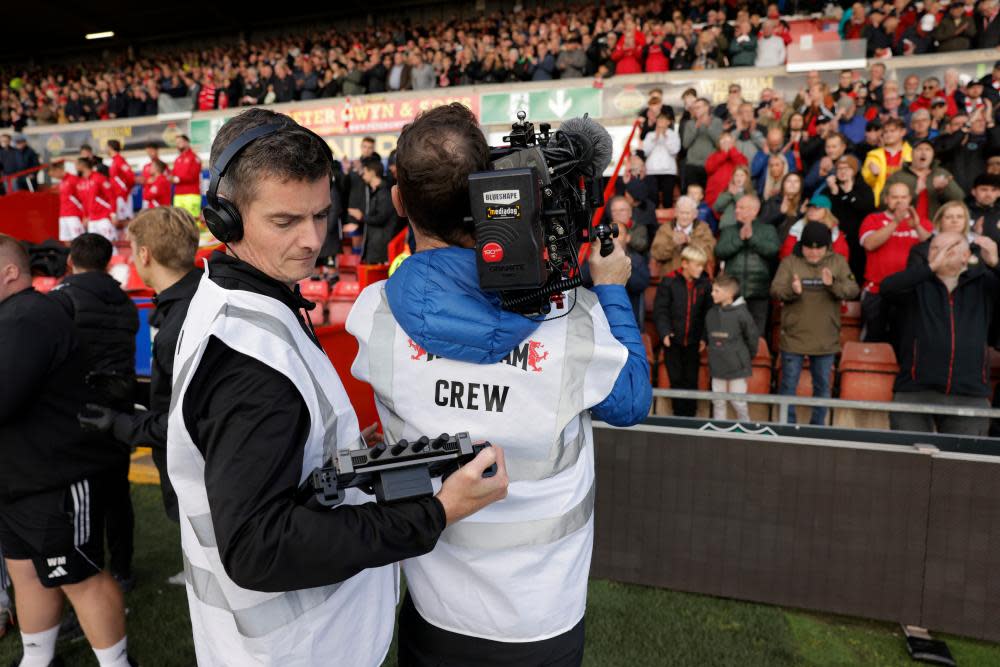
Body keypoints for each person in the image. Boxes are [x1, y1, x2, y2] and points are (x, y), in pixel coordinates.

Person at [166, 108, 508, 666]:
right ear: (224, 218)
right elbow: (258, 549)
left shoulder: (231, 297)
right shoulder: (250, 369)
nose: (311, 240)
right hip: (302, 650)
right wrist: (436, 512)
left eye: (321, 215)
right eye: (285, 221)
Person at [346, 103, 651, 665]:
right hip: (543, 618)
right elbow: (632, 399)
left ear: (397, 203)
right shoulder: (572, 321)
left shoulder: (371, 316)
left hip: (434, 611)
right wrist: (610, 290)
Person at [0, 234, 133, 667]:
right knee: (26, 573)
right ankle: (37, 659)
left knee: (81, 577)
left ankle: (116, 663)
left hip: (53, 478)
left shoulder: (28, 318)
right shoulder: (15, 316)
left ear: (10, 273)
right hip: (18, 479)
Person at [50, 233, 138, 592]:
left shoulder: (61, 298)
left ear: (72, 260)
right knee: (117, 494)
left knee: (81, 501)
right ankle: (122, 570)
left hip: (78, 411)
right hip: (118, 410)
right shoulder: (125, 300)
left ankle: (89, 574)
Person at [881, 232, 1000, 436]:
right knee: (907, 462)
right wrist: (930, 268)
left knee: (962, 464)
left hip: (969, 391)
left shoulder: (983, 282)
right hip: (915, 390)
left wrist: (996, 264)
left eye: (950, 248)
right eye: (935, 249)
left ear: (966, 255)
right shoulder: (917, 283)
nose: (941, 254)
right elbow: (887, 288)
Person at [770, 221, 860, 425]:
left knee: (821, 386)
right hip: (794, 336)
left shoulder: (837, 262)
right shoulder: (790, 262)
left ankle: (817, 427)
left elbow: (853, 289)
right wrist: (792, 291)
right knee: (788, 385)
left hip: (825, 337)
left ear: (827, 247)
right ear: (801, 245)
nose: (813, 252)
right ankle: (787, 426)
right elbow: (775, 289)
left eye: (818, 248)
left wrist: (832, 285)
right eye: (808, 247)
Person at [859, 182, 932, 341]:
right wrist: (895, 222)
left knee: (903, 342)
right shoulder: (873, 219)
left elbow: (933, 250)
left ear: (910, 199)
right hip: (876, 291)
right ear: (886, 199)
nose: (899, 201)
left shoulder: (922, 222)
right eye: (894, 197)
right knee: (872, 342)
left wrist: (917, 226)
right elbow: (870, 244)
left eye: (903, 197)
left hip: (910, 293)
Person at [654, 245, 711, 417]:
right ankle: (678, 417)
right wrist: (664, 332)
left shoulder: (705, 284)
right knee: (676, 380)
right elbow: (661, 310)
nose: (700, 269)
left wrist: (704, 337)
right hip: (673, 341)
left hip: (693, 342)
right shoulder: (669, 281)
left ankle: (690, 418)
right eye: (697, 265)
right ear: (685, 263)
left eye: (702, 265)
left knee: (691, 381)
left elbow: (708, 313)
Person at [715, 194, 780, 336]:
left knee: (756, 337)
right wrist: (739, 239)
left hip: (759, 292)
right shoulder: (729, 230)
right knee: (731, 335)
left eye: (741, 208)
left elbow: (773, 250)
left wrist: (752, 238)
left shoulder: (768, 229)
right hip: (733, 293)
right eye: (737, 207)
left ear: (754, 211)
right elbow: (720, 251)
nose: (737, 210)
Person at [704, 273, 756, 422]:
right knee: (718, 401)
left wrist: (743, 358)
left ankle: (745, 428)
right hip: (717, 365)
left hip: (738, 367)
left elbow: (752, 339)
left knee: (738, 401)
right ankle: (719, 434)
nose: (712, 294)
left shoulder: (742, 314)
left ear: (729, 294)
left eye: (716, 291)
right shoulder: (711, 313)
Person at [826, 154, 876, 285]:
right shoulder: (830, 189)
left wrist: (849, 194)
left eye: (847, 168)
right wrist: (835, 193)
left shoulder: (863, 188)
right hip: (836, 241)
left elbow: (867, 208)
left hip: (857, 243)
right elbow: (827, 214)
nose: (842, 171)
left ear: (854, 171)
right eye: (839, 168)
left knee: (855, 278)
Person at [884, 140, 964, 220]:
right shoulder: (898, 176)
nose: (923, 153)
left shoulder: (941, 173)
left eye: (928, 149)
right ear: (911, 153)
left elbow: (959, 199)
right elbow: (882, 202)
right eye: (919, 149)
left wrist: (943, 190)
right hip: (905, 226)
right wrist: (915, 193)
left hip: (934, 226)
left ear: (933, 155)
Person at [650, 195, 716, 274]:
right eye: (681, 213)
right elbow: (657, 254)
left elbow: (709, 253)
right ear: (676, 213)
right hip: (671, 276)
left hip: (697, 276)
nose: (684, 217)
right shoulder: (665, 229)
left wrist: (690, 240)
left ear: (695, 214)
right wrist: (673, 243)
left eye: (688, 213)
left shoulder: (703, 229)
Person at [349, 155, 394, 264]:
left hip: (380, 246)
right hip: (373, 243)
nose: (363, 175)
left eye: (365, 172)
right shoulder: (375, 192)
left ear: (372, 172)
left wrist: (362, 217)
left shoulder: (384, 193)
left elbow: (381, 218)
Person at [862, 117, 911, 206]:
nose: (888, 134)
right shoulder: (873, 155)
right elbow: (866, 182)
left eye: (892, 131)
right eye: (885, 132)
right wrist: (874, 175)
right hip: (881, 201)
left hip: (905, 202)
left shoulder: (912, 154)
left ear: (903, 132)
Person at [681, 98, 722, 189]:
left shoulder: (717, 122)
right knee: (693, 194)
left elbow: (719, 143)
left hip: (710, 165)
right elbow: (685, 144)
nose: (696, 110)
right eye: (695, 108)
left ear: (707, 108)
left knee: (710, 194)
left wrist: (709, 127)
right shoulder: (690, 124)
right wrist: (695, 128)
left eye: (698, 107)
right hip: (692, 165)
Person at [642, 113, 681, 208]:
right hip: (651, 171)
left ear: (668, 122)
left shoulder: (673, 135)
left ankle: (668, 221)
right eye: (659, 120)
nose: (661, 123)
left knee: (668, 199)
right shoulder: (650, 135)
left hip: (668, 171)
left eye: (663, 120)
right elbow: (645, 151)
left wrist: (665, 137)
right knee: (652, 198)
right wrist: (655, 138)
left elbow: (674, 151)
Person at [76, 157, 117, 241]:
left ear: (83, 165)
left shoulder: (99, 178)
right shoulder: (82, 182)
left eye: (76, 164)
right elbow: (84, 201)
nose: (75, 166)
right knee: (95, 247)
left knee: (109, 244)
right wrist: (85, 216)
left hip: (104, 217)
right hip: (92, 219)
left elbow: (112, 196)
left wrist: (113, 214)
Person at [51, 160, 86, 242]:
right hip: (63, 214)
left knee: (79, 240)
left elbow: (83, 198)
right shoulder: (62, 182)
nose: (54, 177)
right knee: (65, 239)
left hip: (74, 214)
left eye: (53, 175)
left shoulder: (73, 179)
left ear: (58, 170)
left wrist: (85, 214)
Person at [170, 134, 202, 220]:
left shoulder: (194, 158)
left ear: (187, 142)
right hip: (178, 195)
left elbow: (193, 176)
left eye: (180, 142)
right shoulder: (177, 159)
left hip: (191, 194)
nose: (178, 144)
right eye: (177, 143)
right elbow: (172, 175)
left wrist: (177, 179)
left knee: (193, 221)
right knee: (179, 221)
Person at [106, 140, 135, 223]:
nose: (105, 149)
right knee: (119, 221)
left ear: (110, 148)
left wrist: (126, 190)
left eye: (106, 147)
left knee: (125, 220)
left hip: (122, 196)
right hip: (118, 196)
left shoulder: (119, 160)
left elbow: (130, 176)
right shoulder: (114, 161)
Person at [969, 173, 1000, 244]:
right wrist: (974, 234)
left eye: (993, 190)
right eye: (984, 190)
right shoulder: (962, 212)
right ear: (973, 192)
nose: (988, 194)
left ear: (999, 193)